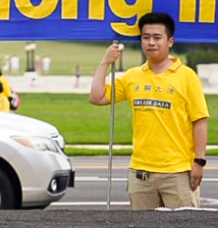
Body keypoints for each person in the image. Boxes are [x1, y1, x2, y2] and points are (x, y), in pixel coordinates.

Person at [89, 12, 209, 210]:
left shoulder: (187, 76)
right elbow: (97, 97)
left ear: (170, 41)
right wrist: (105, 63)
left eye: (157, 37)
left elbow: (200, 120)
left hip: (178, 172)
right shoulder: (133, 76)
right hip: (141, 173)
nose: (151, 43)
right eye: (146, 38)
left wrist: (199, 162)